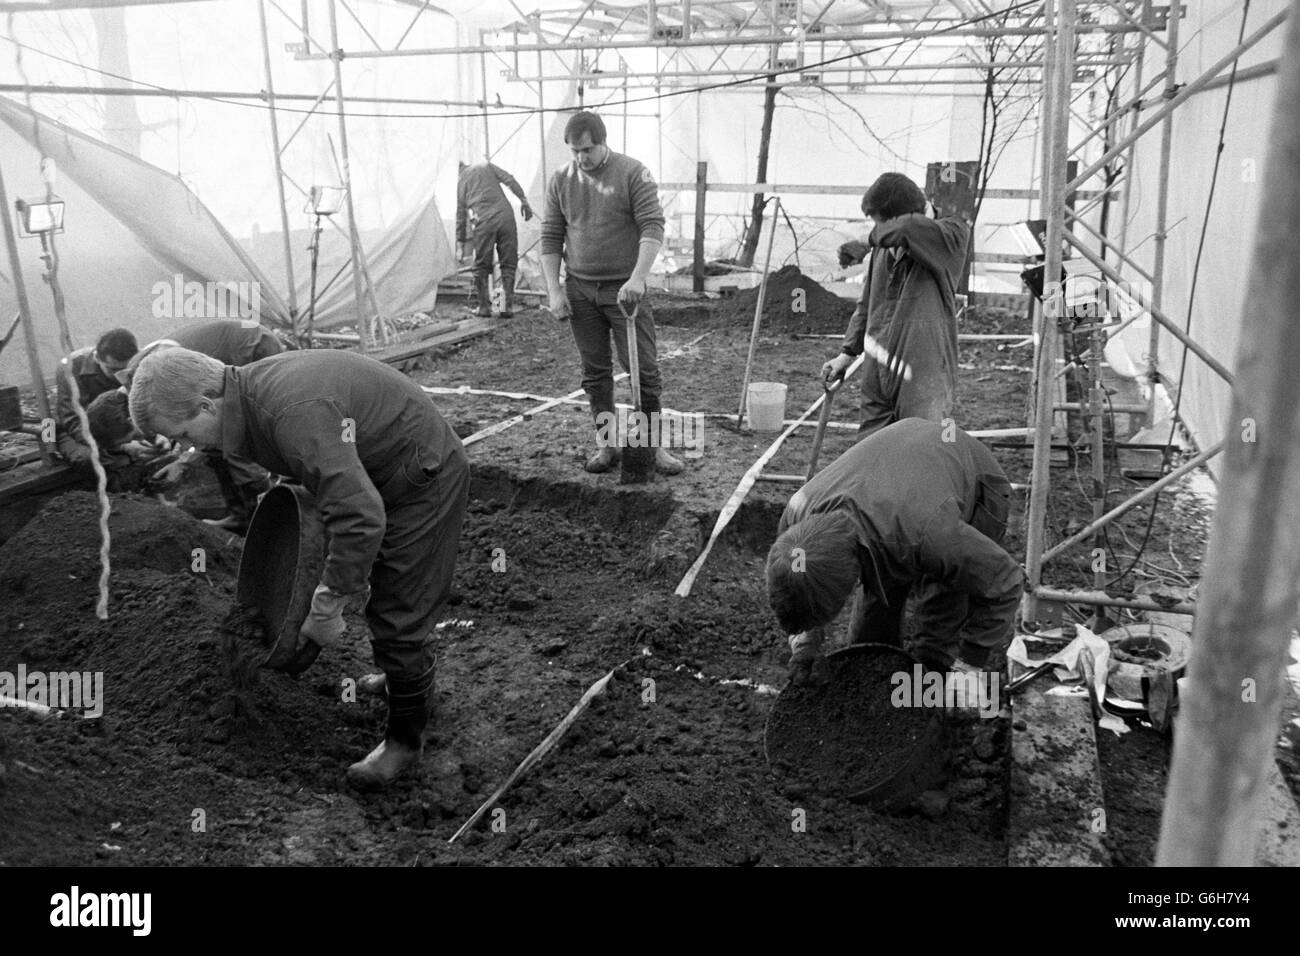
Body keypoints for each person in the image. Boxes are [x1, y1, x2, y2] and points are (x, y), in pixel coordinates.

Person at [128, 347, 469, 790]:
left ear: (208, 405)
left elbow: (360, 517)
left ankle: (404, 742)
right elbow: (312, 473)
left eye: (185, 434)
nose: (189, 448)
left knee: (398, 609)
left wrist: (327, 605)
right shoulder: (249, 397)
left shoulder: (290, 410)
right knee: (382, 586)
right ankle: (401, 678)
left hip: (424, 477)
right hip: (377, 470)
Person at [765, 418, 1023, 685]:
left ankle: (932, 675)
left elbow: (1006, 582)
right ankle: (876, 680)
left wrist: (971, 664)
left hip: (974, 480)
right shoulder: (796, 517)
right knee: (872, 629)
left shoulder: (931, 536)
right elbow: (803, 587)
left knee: (943, 596)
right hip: (901, 470)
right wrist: (805, 644)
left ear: (853, 576)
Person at [540, 110, 683, 476]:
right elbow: (551, 237)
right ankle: (607, 444)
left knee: (643, 372)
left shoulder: (632, 173)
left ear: (604, 143)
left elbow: (652, 225)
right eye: (574, 151)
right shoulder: (561, 180)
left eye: (587, 150)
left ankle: (651, 449)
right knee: (595, 374)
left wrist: (637, 278)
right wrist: (555, 291)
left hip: (625, 293)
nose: (581, 158)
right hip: (581, 290)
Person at [87, 320, 285, 532]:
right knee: (216, 445)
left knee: (235, 438)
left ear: (129, 419)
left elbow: (202, 417)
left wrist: (184, 461)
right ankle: (242, 516)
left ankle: (269, 519)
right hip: (229, 355)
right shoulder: (137, 387)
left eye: (130, 439)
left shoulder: (153, 379)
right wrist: (183, 457)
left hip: (252, 347)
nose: (138, 441)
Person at [820, 173, 971, 437]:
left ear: (896, 218)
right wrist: (847, 353)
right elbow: (867, 303)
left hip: (923, 367)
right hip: (878, 364)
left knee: (919, 445)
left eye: (880, 223)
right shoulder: (884, 244)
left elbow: (906, 229)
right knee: (870, 447)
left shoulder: (951, 233)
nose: (878, 230)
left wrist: (866, 241)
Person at [456, 160, 535, 318]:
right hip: (506, 217)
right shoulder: (485, 166)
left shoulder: (461, 181)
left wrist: (460, 244)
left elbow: (461, 216)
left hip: (484, 220)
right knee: (508, 263)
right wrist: (523, 200)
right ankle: (506, 308)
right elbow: (510, 180)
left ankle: (484, 308)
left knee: (481, 266)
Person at [55, 328, 138, 467]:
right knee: (90, 458)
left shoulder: (139, 362)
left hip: (124, 429)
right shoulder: (70, 367)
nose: (120, 376)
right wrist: (122, 445)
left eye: (126, 370)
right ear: (97, 358)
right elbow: (73, 422)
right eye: (113, 370)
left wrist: (150, 433)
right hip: (75, 432)